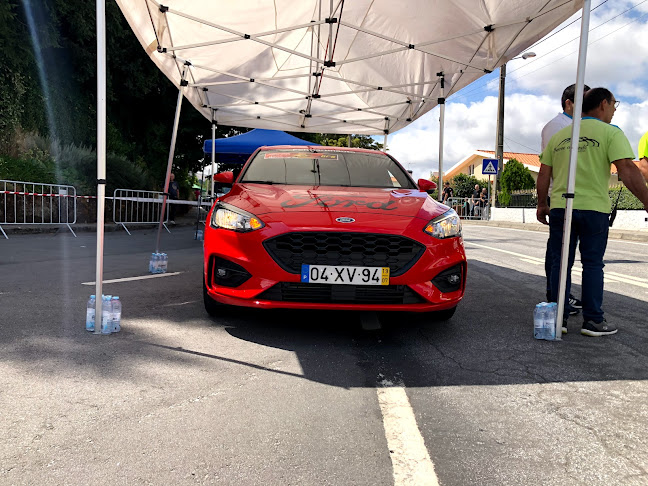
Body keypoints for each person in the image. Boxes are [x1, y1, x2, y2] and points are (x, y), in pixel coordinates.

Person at [537, 87, 648, 336]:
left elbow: (544, 173)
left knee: (560, 264)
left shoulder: (562, 135)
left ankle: (558, 319)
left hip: (560, 208)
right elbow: (628, 170)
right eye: (614, 105)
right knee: (593, 265)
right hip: (594, 209)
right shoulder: (611, 133)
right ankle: (593, 321)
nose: (614, 111)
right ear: (602, 105)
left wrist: (541, 204)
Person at [540, 84, 590, 313]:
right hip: (560, 196)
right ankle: (556, 298)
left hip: (566, 196)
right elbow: (549, 166)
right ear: (569, 103)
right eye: (583, 100)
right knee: (559, 254)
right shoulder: (558, 127)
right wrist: (544, 201)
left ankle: (561, 295)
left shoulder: (570, 125)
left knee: (561, 252)